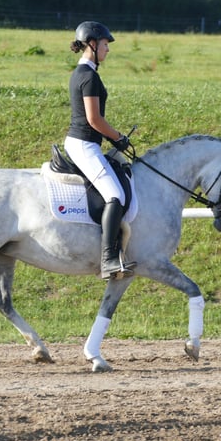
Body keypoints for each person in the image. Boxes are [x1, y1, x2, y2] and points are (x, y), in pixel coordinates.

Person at [64, 21, 136, 280]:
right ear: (92, 44)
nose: (108, 49)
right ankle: (108, 260)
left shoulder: (84, 72)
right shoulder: (89, 77)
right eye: (105, 45)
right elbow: (94, 120)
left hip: (85, 142)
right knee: (115, 195)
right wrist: (119, 138)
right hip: (84, 144)